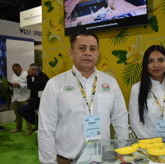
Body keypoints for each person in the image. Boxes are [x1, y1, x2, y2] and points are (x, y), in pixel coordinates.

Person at [38, 30, 129, 164]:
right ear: (71, 53)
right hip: (68, 159)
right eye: (82, 48)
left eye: (93, 49)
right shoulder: (55, 84)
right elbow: (46, 128)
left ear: (98, 53)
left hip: (104, 159)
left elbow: (120, 120)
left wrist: (124, 153)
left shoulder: (110, 82)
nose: (88, 52)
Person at [129, 45, 165, 139]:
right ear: (145, 65)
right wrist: (150, 143)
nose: (156, 65)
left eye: (161, 60)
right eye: (150, 61)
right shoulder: (137, 89)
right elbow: (135, 122)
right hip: (149, 145)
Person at [18, 63, 49, 136]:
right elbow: (34, 91)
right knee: (21, 110)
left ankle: (39, 124)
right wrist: (29, 101)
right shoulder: (38, 77)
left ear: (35, 70)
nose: (28, 71)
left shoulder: (42, 78)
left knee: (21, 110)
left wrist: (28, 76)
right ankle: (38, 123)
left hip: (40, 103)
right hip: (35, 102)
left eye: (29, 70)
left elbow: (31, 86)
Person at [10, 63, 31, 133]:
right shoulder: (13, 76)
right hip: (16, 98)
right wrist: (11, 85)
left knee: (27, 114)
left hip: (24, 98)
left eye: (16, 70)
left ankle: (29, 129)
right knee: (17, 114)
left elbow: (29, 85)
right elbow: (12, 84)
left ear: (20, 68)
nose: (15, 72)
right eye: (13, 71)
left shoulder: (26, 74)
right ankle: (18, 128)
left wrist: (19, 85)